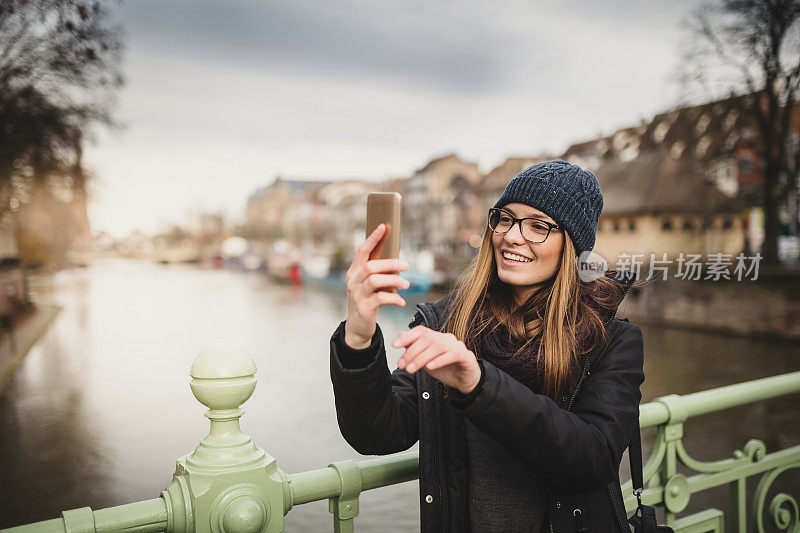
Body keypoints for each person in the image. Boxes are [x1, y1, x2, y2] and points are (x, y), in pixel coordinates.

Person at [329, 160, 645, 532]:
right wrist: (359, 338)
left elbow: (592, 461)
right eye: (505, 219)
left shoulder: (612, 341)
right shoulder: (448, 323)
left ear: (573, 246)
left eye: (538, 226)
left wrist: (479, 384)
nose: (511, 236)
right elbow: (377, 433)